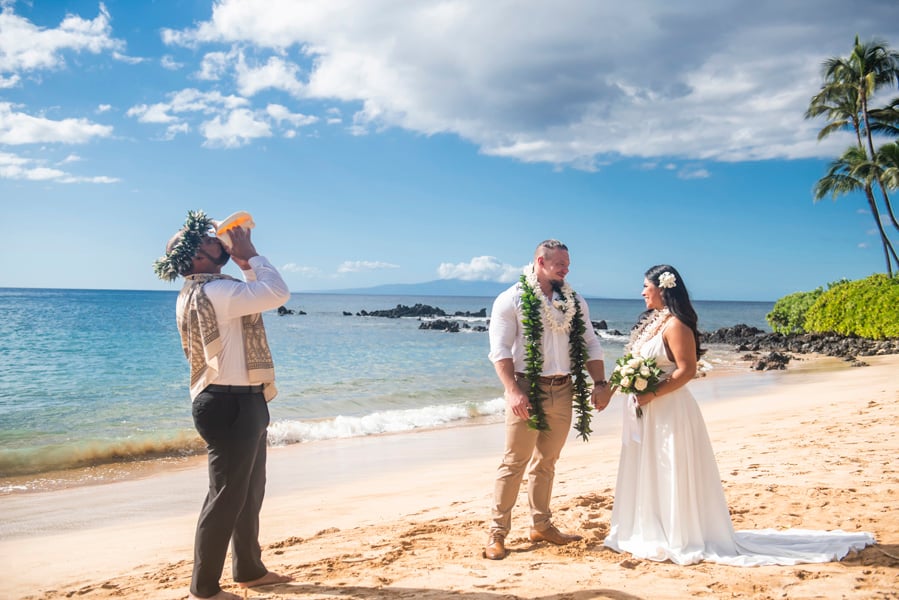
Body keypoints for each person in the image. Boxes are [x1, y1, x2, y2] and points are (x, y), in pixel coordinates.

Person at [603, 264, 875, 566]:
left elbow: (687, 370)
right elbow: (631, 361)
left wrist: (651, 393)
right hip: (648, 411)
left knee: (671, 469)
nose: (642, 292)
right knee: (652, 467)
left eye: (645, 286)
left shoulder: (677, 324)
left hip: (670, 410)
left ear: (663, 288)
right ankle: (652, 527)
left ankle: (677, 533)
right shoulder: (653, 322)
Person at [153, 210, 294, 600]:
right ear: (197, 258)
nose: (218, 241)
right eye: (209, 241)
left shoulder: (203, 291)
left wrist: (246, 265)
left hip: (236, 401)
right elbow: (277, 293)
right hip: (230, 404)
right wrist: (252, 256)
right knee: (226, 496)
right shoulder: (217, 292)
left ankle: (249, 569)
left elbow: (256, 297)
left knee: (248, 491)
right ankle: (204, 588)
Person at [484, 239, 612, 560]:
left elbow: (591, 343)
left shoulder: (574, 300)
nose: (566, 270)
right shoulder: (510, 299)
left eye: (568, 265)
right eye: (560, 265)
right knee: (514, 461)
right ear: (541, 262)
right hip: (527, 387)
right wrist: (513, 390)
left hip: (564, 388)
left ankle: (541, 524)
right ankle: (497, 532)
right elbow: (500, 351)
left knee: (547, 462)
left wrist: (600, 382)